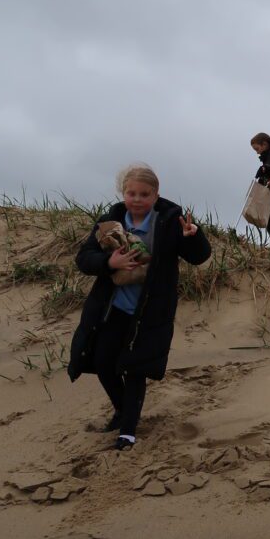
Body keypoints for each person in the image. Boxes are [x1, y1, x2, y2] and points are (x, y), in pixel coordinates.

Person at [67, 164, 211, 450]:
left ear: (156, 195)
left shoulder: (170, 221)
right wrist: (110, 262)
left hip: (149, 313)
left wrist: (193, 236)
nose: (137, 199)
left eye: (144, 194)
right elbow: (84, 259)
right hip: (114, 308)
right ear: (123, 193)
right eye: (131, 193)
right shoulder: (111, 219)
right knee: (104, 363)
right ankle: (122, 411)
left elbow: (199, 257)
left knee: (135, 369)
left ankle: (128, 431)